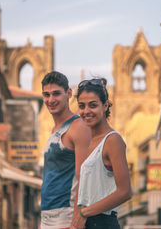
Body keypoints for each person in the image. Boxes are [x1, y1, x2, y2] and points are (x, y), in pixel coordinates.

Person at [71, 78, 132, 229]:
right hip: (88, 222)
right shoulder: (90, 142)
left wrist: (85, 213)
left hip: (103, 222)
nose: (86, 111)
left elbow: (125, 191)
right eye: (81, 106)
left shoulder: (112, 140)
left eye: (93, 105)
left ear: (105, 106)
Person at [40, 71, 91, 229]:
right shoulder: (54, 129)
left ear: (68, 93)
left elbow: (84, 179)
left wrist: (76, 223)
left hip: (66, 219)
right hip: (47, 218)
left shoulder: (78, 127)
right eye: (46, 95)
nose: (51, 100)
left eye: (56, 94)